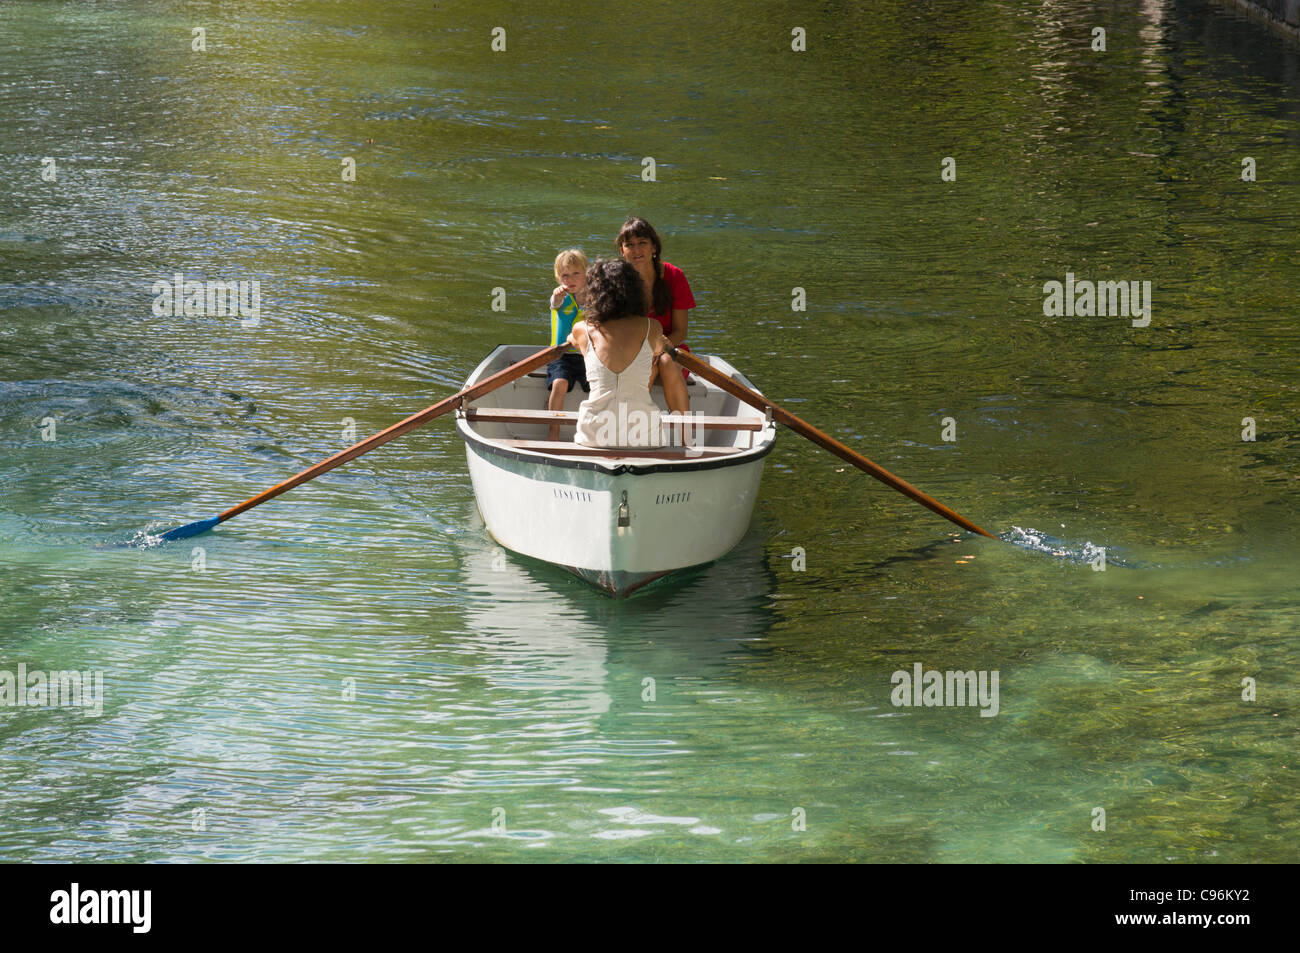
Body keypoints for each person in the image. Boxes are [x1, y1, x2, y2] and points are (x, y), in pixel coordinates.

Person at [568, 259, 678, 448]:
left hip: (593, 437)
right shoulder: (652, 328)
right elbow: (660, 349)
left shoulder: (581, 330)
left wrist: (573, 338)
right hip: (645, 437)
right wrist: (663, 343)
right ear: (635, 292)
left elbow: (574, 338)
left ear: (594, 293)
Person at [615, 217, 692, 413]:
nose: (636, 250)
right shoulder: (616, 280)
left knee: (666, 362)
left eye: (642, 243)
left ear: (654, 247)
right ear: (622, 251)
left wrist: (658, 350)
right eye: (629, 245)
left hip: (670, 348)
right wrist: (643, 353)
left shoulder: (675, 276)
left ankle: (685, 433)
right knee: (646, 366)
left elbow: (680, 331)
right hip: (630, 352)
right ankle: (629, 429)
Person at [544, 249, 590, 440]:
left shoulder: (594, 298)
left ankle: (592, 430)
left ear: (586, 273)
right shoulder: (560, 298)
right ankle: (553, 431)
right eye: (565, 275)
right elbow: (554, 302)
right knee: (559, 383)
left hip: (587, 356)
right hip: (560, 355)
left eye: (576, 274)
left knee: (600, 386)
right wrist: (557, 296)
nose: (570, 279)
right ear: (558, 278)